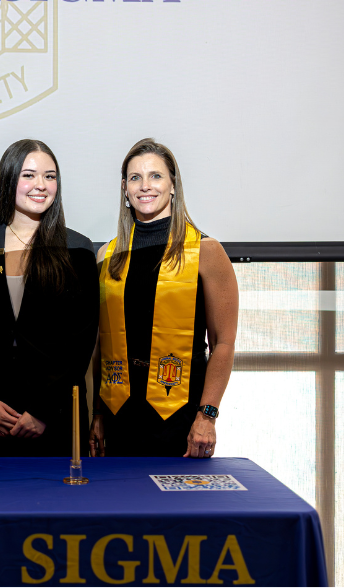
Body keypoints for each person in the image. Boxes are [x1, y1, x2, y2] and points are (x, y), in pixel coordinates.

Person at [91, 138, 238, 458]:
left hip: (181, 414)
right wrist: (98, 414)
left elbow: (223, 343)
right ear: (125, 189)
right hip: (120, 413)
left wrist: (207, 416)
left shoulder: (206, 252)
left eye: (155, 176)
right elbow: (103, 343)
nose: (145, 185)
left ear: (173, 185)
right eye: (135, 177)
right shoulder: (107, 256)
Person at [0, 140, 98, 456]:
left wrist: (43, 410)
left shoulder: (78, 249)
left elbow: (81, 341)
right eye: (29, 175)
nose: (41, 185)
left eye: (50, 176)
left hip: (56, 411)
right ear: (9, 180)